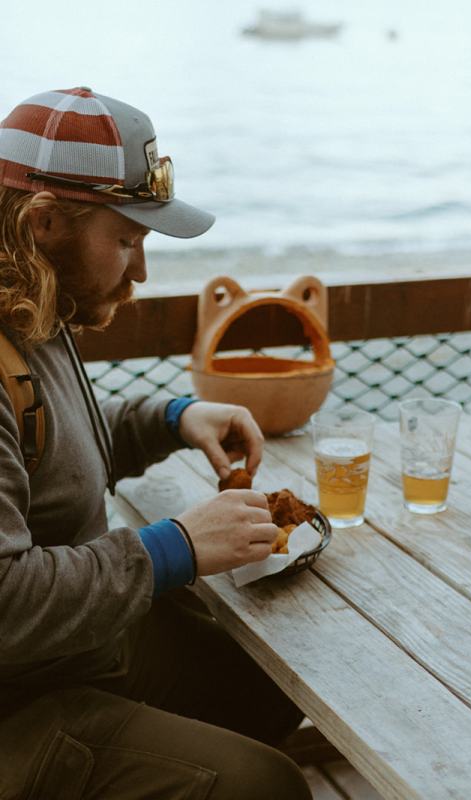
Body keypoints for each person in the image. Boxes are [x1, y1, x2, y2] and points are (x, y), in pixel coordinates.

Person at [0, 88, 311, 799]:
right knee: (264, 785)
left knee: (272, 678)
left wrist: (169, 418)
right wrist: (174, 548)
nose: (140, 272)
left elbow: (38, 452)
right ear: (44, 224)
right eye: (128, 240)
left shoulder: (30, 310)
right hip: (16, 697)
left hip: (61, 653)